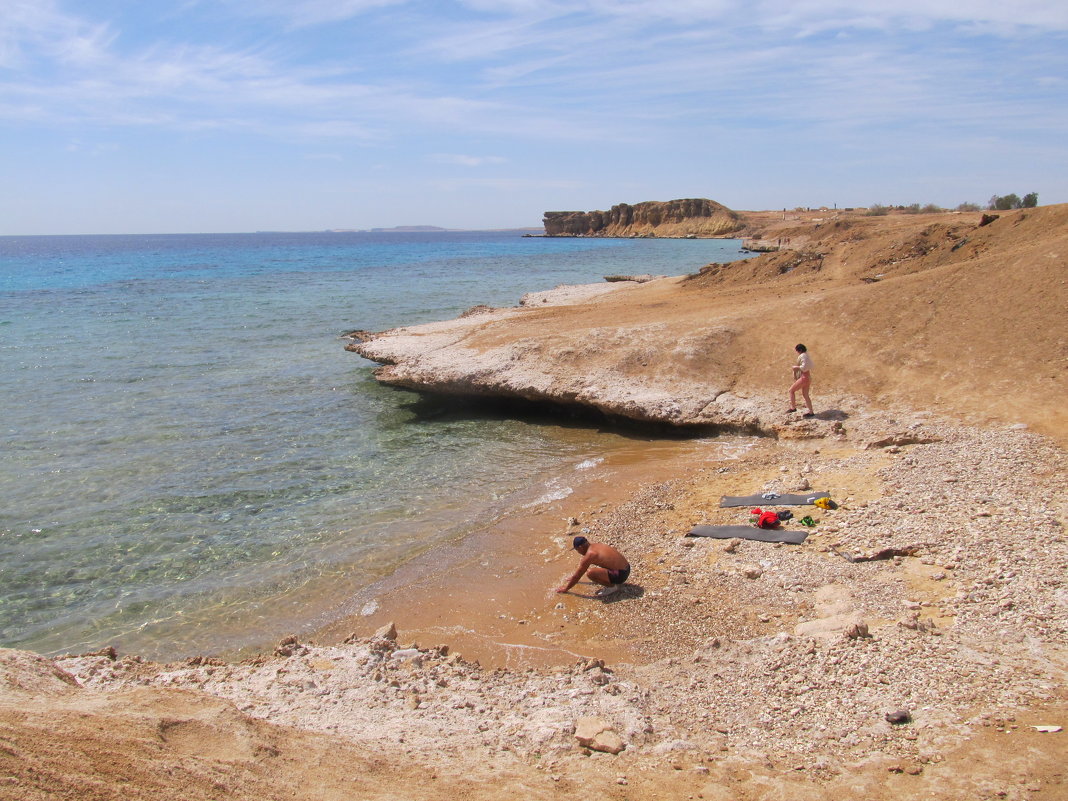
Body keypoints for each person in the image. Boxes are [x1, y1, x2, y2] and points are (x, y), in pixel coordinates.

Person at [555, 536, 631, 597]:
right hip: (627, 568)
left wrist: (566, 588)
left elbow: (578, 575)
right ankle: (610, 579)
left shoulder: (590, 554)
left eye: (577, 550)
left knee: (590, 573)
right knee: (596, 569)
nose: (578, 552)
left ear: (580, 547)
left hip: (621, 575)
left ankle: (612, 587)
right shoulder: (597, 545)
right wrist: (572, 579)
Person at [788, 343, 815, 418]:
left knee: (791, 390)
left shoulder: (803, 356)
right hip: (808, 377)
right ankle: (811, 412)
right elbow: (810, 365)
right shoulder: (807, 355)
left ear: (800, 350)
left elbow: (804, 367)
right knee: (806, 395)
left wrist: (796, 367)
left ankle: (793, 408)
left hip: (804, 377)